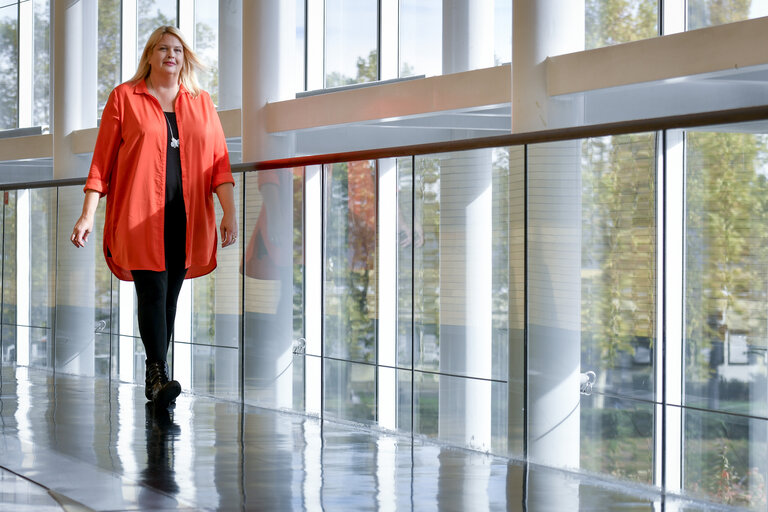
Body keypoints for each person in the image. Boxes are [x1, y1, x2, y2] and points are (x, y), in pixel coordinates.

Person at [71, 26, 237, 409]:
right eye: (162, 49)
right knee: (153, 291)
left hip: (188, 215)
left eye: (177, 50)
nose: (170, 55)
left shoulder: (201, 102)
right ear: (149, 55)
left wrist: (229, 210)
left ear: (185, 57)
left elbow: (219, 164)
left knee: (170, 299)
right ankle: (158, 374)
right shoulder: (124, 98)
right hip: (138, 215)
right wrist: (87, 215)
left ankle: (156, 375)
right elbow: (102, 163)